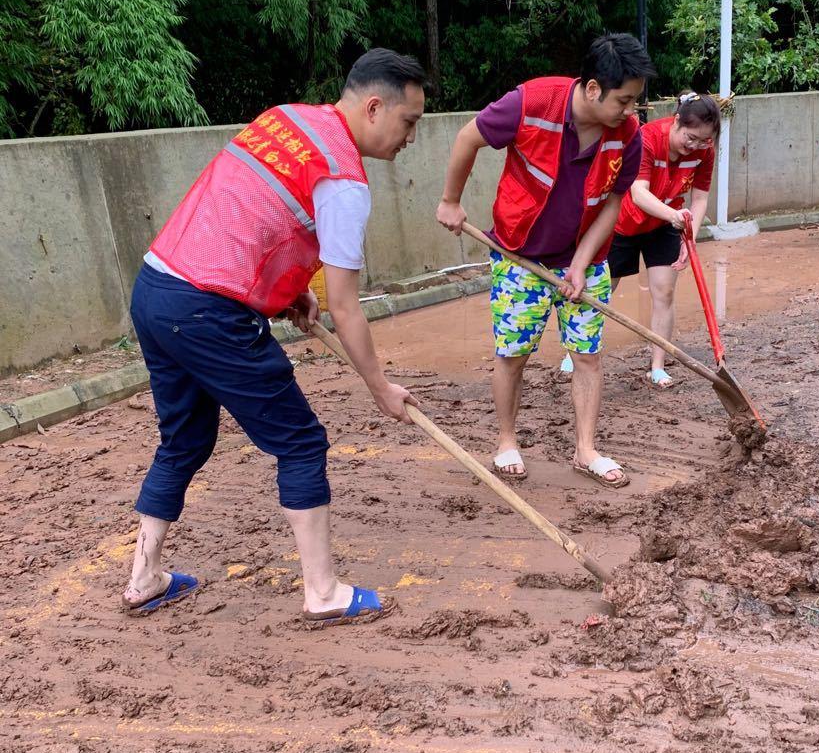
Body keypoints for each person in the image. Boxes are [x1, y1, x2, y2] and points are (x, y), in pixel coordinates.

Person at [123, 49, 426, 625]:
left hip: (157, 288)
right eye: (408, 122)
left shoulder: (285, 119)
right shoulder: (344, 180)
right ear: (375, 105)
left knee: (184, 441)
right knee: (302, 443)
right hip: (209, 311)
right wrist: (380, 386)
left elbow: (246, 216)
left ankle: (145, 578)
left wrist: (288, 294)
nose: (410, 136)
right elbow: (346, 306)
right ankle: (323, 592)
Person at [435, 32, 655, 487]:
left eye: (635, 102)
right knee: (513, 353)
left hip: (586, 260)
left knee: (588, 355)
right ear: (593, 89)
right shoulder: (532, 103)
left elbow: (613, 203)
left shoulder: (627, 134)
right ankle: (506, 441)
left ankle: (586, 449)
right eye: (625, 100)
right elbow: (467, 137)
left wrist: (581, 262)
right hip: (519, 257)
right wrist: (450, 200)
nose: (630, 111)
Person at [606, 90, 721, 388]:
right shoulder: (646, 138)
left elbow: (700, 198)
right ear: (677, 122)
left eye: (704, 140)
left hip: (665, 223)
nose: (695, 146)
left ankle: (657, 366)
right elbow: (638, 193)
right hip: (623, 222)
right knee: (603, 290)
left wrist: (689, 237)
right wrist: (673, 216)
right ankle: (577, 352)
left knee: (664, 293)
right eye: (690, 137)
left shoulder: (704, 152)